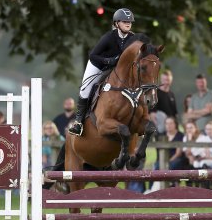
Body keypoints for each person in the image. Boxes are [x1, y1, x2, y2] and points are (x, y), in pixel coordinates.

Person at [68, 8, 135, 136]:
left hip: (117, 70)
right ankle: (78, 123)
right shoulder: (109, 37)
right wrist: (109, 61)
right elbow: (92, 55)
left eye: (130, 22)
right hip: (98, 65)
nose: (128, 23)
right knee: (85, 89)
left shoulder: (132, 38)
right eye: (124, 21)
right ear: (116, 24)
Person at [150, 70, 178, 135]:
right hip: (161, 127)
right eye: (164, 80)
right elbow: (152, 114)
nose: (166, 82)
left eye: (168, 80)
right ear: (161, 80)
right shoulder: (155, 93)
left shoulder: (171, 94)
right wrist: (157, 129)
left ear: (171, 81)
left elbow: (175, 113)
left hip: (171, 127)